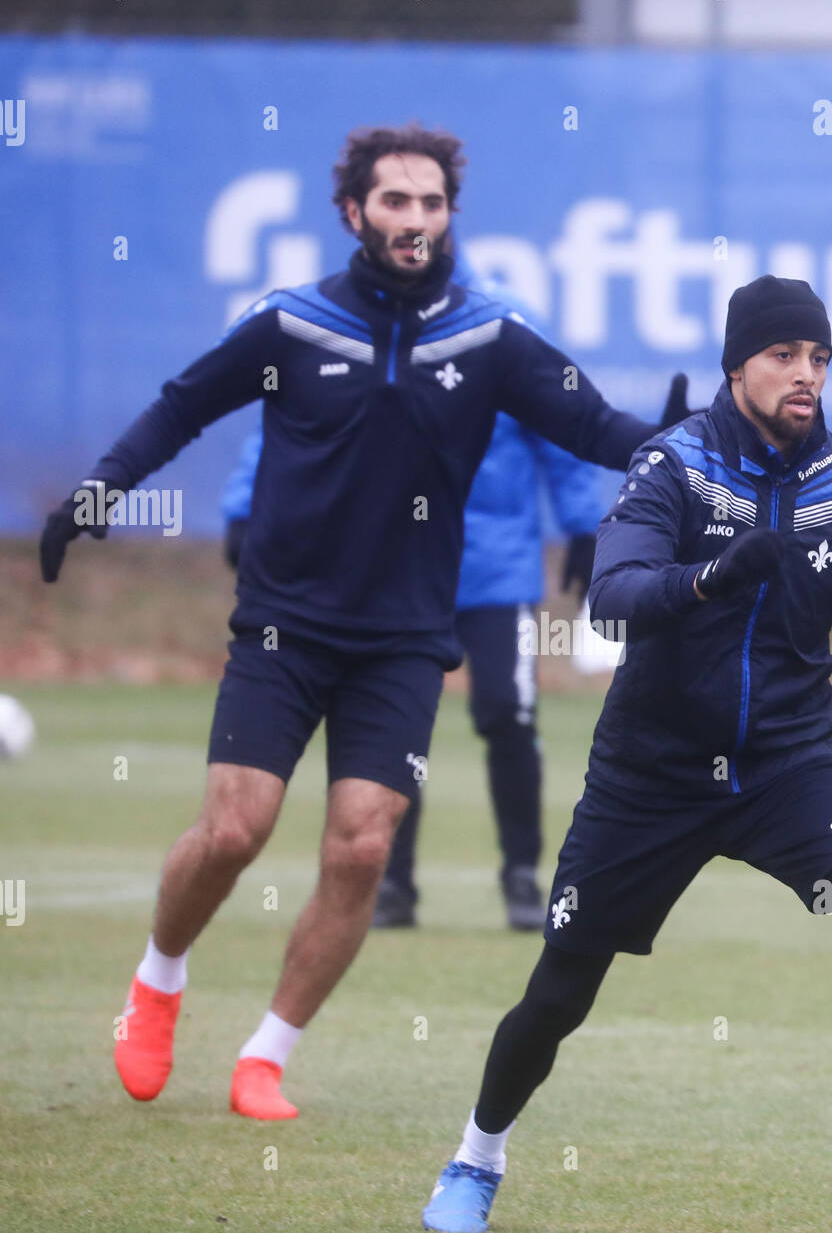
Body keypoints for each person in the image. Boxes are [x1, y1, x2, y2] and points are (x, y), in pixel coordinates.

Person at [39, 122, 679, 1121]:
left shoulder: (489, 338)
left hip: (404, 637)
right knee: (235, 829)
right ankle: (158, 980)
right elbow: (180, 406)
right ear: (354, 211)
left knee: (361, 847)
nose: (413, 219)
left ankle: (266, 1053)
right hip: (285, 623)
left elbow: (593, 425)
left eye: (430, 203)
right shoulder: (291, 325)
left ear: (448, 215)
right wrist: (96, 494)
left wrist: (671, 440)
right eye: (394, 202)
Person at [422, 275, 832, 1233]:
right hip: (652, 775)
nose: (805, 374)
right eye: (782, 356)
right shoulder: (671, 466)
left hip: (788, 770)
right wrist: (710, 574)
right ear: (735, 365)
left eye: (818, 357)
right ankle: (474, 1159)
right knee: (560, 989)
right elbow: (613, 596)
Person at [220, 253, 624, 933]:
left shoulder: (499, 323)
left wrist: (584, 526)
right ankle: (391, 885)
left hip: (494, 568)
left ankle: (522, 877)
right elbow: (294, 422)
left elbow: (562, 431)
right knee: (391, 727)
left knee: (507, 713)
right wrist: (242, 506)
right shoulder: (351, 323)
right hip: (392, 572)